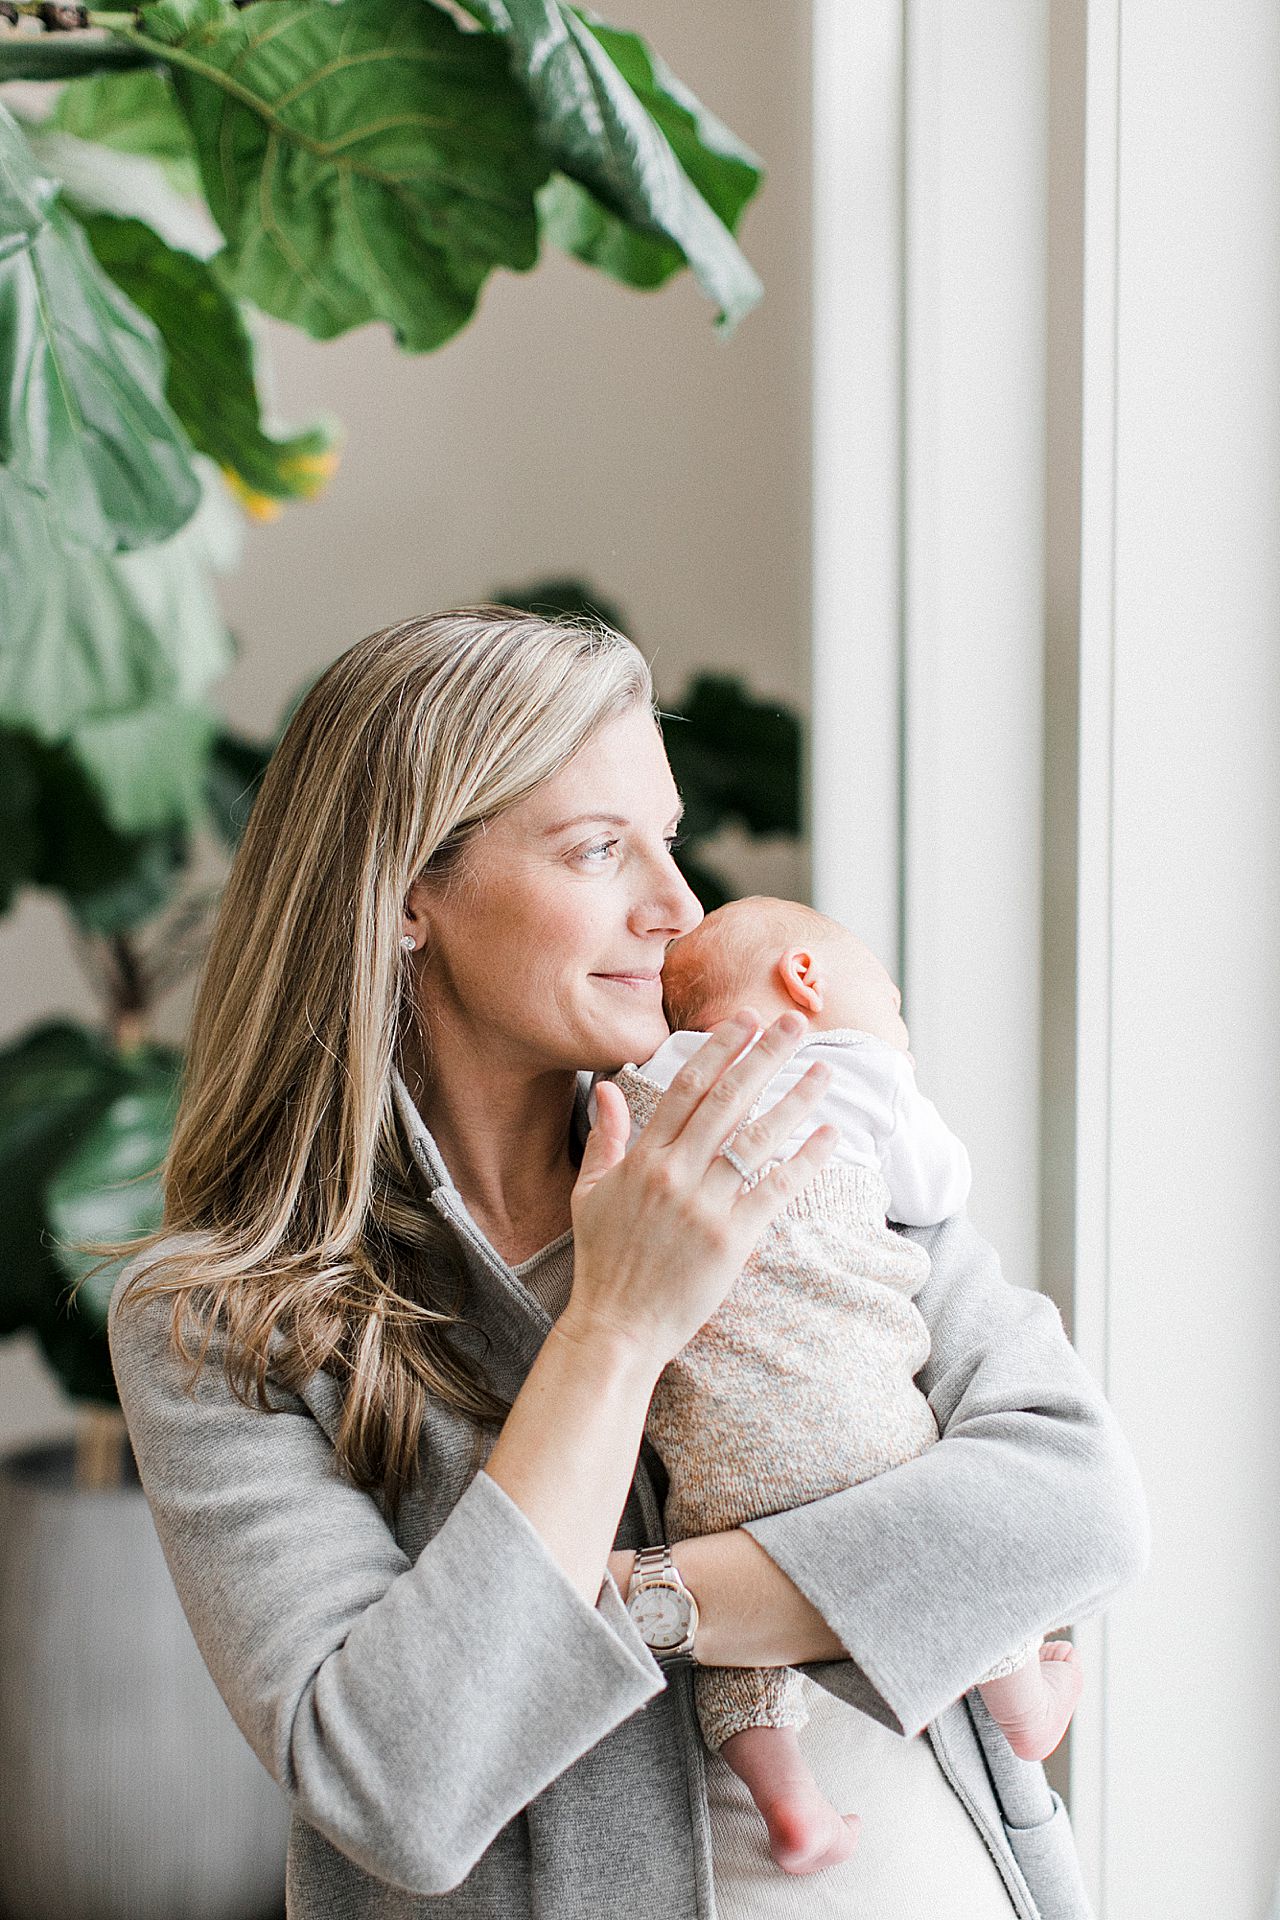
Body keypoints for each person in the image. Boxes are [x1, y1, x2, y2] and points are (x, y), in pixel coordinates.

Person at [104, 607, 1149, 1919]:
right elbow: (397, 1785)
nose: (678, 905)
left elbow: (1076, 1509)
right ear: (409, 893)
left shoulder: (788, 1129)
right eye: (600, 850)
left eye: (663, 840)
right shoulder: (221, 1322)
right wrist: (618, 1327)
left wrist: (636, 1602)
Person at [596, 896, 1084, 1878]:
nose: (893, 1028)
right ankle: (1023, 1700)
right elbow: (935, 1190)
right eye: (891, 1003)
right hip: (863, 1428)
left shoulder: (635, 1096)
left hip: (716, 1454)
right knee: (962, 1550)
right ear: (805, 980)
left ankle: (790, 1804)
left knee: (739, 1666)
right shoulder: (851, 1070)